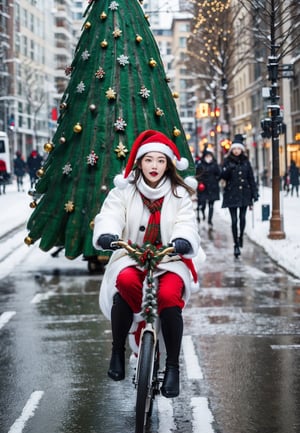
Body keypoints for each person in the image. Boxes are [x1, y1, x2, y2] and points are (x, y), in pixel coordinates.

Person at [93, 130, 202, 398]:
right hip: (132, 256)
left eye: (161, 161)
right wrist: (108, 233)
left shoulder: (178, 194)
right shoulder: (125, 190)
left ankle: (173, 368)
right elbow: (111, 214)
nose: (154, 166)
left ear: (168, 164)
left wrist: (183, 240)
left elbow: (186, 223)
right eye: (149, 160)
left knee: (168, 297)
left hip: (169, 259)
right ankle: (117, 350)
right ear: (140, 163)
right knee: (126, 283)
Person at [220, 134, 258, 258]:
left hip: (244, 194)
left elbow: (251, 178)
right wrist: (228, 169)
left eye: (238, 149)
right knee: (234, 220)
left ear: (241, 149)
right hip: (232, 193)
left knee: (242, 218)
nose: (236, 151)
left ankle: (241, 236)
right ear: (232, 150)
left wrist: (255, 193)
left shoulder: (246, 161)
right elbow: (222, 176)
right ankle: (236, 244)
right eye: (234, 149)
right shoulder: (227, 161)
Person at [195, 148, 221, 228]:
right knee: (202, 203)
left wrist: (215, 180)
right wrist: (200, 182)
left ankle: (210, 220)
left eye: (210, 156)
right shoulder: (200, 165)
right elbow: (197, 175)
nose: (209, 158)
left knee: (211, 205)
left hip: (212, 187)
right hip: (203, 187)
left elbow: (219, 174)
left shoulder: (214, 164)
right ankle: (202, 212)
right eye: (207, 156)